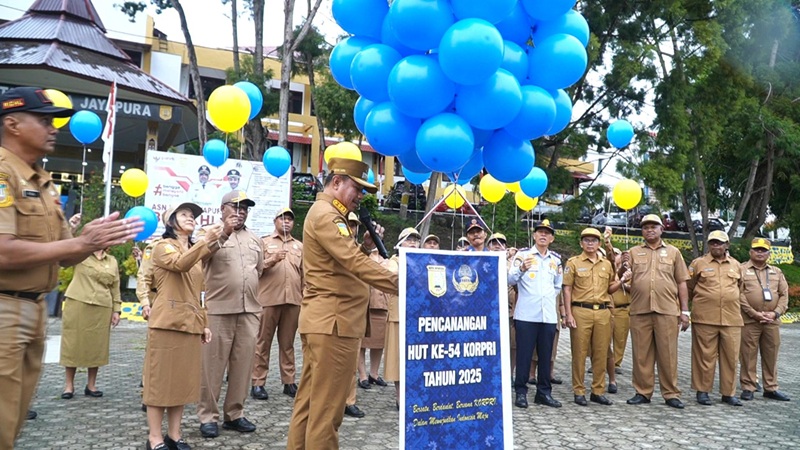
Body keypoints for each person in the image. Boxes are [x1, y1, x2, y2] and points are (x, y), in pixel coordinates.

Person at [0, 86, 142, 449]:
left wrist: (92, 239)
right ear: (13, 124)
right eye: (44, 120)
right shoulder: (3, 173)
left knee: (12, 423)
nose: (54, 128)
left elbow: (64, 255)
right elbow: (3, 251)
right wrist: (81, 243)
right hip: (5, 309)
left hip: (34, 311)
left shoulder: (43, 182)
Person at [286, 158, 398, 450]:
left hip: (327, 322)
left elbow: (340, 263)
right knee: (328, 410)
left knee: (310, 402)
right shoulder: (328, 215)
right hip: (334, 324)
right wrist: (403, 283)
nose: (360, 196)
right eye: (356, 189)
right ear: (336, 182)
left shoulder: (328, 214)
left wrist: (365, 247)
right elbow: (353, 262)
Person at [144, 203, 223, 450]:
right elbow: (179, 264)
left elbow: (200, 292)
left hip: (190, 323)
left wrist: (204, 322)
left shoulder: (194, 251)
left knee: (180, 383)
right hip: (167, 323)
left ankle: (174, 435)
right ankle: (154, 438)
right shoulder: (162, 246)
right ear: (171, 221)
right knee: (159, 383)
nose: (191, 218)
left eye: (193, 215)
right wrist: (205, 242)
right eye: (184, 214)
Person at [198, 190, 264, 438]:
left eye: (244, 208)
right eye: (235, 207)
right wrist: (224, 232)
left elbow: (259, 270)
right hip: (218, 310)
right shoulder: (209, 233)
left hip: (249, 311)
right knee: (212, 367)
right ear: (222, 209)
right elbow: (200, 256)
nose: (240, 211)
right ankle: (208, 416)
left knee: (243, 366)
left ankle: (235, 414)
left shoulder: (255, 239)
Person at [625, 214, 690, 409]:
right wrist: (622, 268)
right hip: (640, 309)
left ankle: (671, 393)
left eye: (654, 226)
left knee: (668, 354)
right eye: (645, 227)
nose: (649, 230)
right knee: (641, 354)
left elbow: (682, 282)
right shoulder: (633, 252)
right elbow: (624, 278)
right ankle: (643, 392)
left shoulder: (673, 252)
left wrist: (685, 311)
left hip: (667, 310)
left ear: (662, 229)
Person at [563, 228, 629, 406]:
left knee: (601, 352)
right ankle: (579, 390)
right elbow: (567, 289)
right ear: (581, 243)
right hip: (581, 310)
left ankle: (598, 391)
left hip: (602, 312)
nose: (590, 243)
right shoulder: (573, 262)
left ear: (599, 244)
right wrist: (568, 314)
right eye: (586, 240)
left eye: (593, 240)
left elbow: (610, 288)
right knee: (579, 352)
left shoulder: (606, 264)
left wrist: (622, 281)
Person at [507, 220, 563, 408]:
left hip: (547, 316)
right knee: (524, 355)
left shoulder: (555, 260)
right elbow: (509, 279)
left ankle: (544, 393)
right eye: (540, 232)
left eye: (547, 233)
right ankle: (521, 392)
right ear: (534, 235)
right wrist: (521, 268)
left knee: (546, 356)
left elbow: (557, 286)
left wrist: (545, 299)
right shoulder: (523, 255)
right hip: (527, 315)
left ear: (552, 238)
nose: (543, 235)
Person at [686, 230, 743, 406]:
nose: (716, 245)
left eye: (719, 242)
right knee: (704, 356)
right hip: (705, 318)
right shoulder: (698, 263)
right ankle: (702, 391)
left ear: (727, 245)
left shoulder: (736, 265)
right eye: (712, 242)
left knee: (731, 358)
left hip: (731, 319)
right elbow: (688, 288)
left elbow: (740, 288)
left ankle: (728, 393)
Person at [251, 207, 303, 401]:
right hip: (268, 300)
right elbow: (255, 269)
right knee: (262, 342)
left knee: (288, 344)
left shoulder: (299, 246)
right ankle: (258, 382)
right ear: (275, 221)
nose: (286, 221)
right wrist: (271, 260)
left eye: (289, 219)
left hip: (293, 300)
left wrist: (304, 296)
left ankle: (289, 382)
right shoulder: (263, 242)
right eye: (282, 218)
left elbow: (304, 274)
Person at [59, 247, 122, 399]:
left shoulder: (112, 261)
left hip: (102, 305)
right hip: (78, 302)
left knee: (96, 345)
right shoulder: (81, 254)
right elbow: (64, 256)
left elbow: (115, 287)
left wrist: (117, 310)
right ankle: (69, 385)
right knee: (72, 343)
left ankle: (91, 385)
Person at [739, 238, 790, 402]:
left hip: (771, 321)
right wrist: (754, 313)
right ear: (750, 252)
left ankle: (771, 388)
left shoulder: (776, 272)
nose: (760, 253)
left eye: (763, 250)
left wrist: (775, 313)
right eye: (757, 249)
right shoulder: (741, 269)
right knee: (748, 355)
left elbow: (784, 295)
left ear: (769, 253)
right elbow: (738, 294)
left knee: (771, 355)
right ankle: (748, 387)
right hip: (749, 320)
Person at [384, 227, 421, 410]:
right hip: (399, 315)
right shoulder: (394, 261)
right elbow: (392, 276)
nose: (413, 243)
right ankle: (400, 396)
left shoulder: (423, 261)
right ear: (400, 243)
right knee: (397, 357)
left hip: (420, 317)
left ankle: (415, 393)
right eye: (409, 239)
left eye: (416, 240)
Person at [355, 212, 389, 392]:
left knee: (379, 341)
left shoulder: (386, 257)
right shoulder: (361, 253)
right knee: (361, 342)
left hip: (382, 303)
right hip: (364, 304)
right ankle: (362, 374)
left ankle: (374, 373)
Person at [345, 211, 368, 418]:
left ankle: (349, 400)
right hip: (336, 313)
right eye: (349, 224)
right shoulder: (338, 246)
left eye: (354, 225)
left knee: (352, 360)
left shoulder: (359, 250)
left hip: (357, 313)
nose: (351, 229)